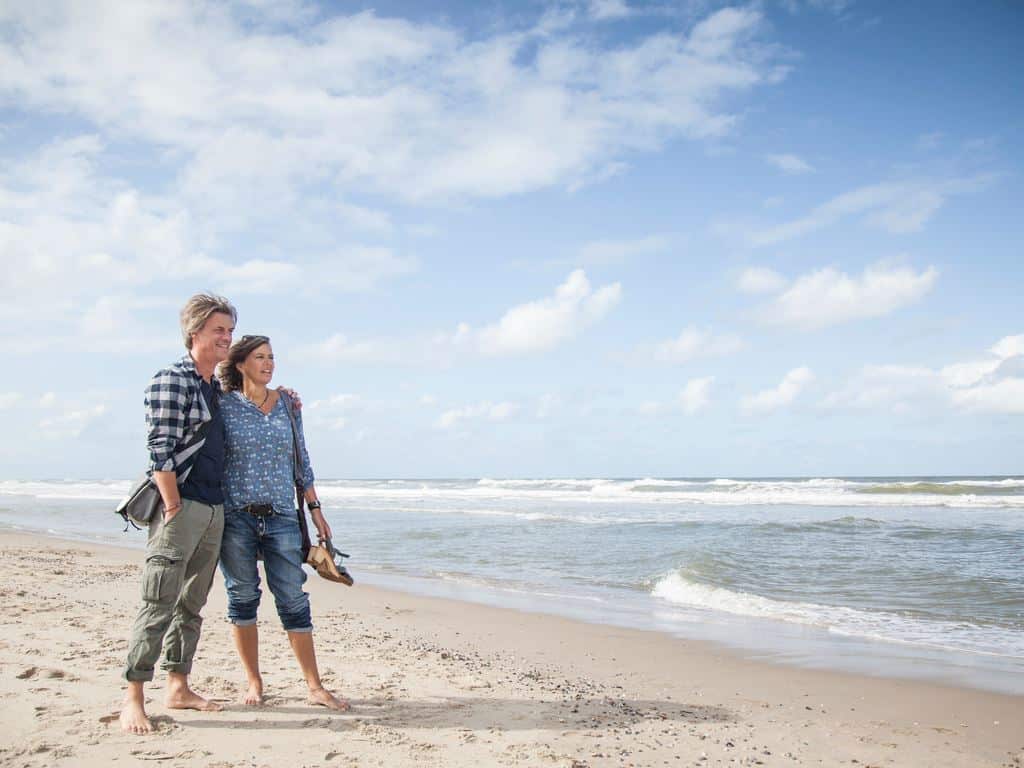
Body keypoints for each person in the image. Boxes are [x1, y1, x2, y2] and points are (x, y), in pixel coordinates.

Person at [120, 293, 235, 734]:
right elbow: (159, 451)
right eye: (217, 330)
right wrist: (171, 505)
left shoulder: (216, 385)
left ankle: (178, 685)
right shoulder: (173, 379)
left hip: (213, 508)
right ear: (194, 333)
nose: (225, 337)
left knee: (191, 604)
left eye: (228, 330)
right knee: (158, 602)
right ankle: (134, 696)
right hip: (181, 506)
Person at [216, 334, 348, 710]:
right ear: (241, 363)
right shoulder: (223, 405)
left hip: (282, 517)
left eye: (272, 357)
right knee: (242, 598)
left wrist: (315, 508)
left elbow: (300, 458)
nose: (269, 364)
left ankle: (315, 686)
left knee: (292, 598)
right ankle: (254, 682)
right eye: (260, 357)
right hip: (236, 516)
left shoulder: (288, 403)